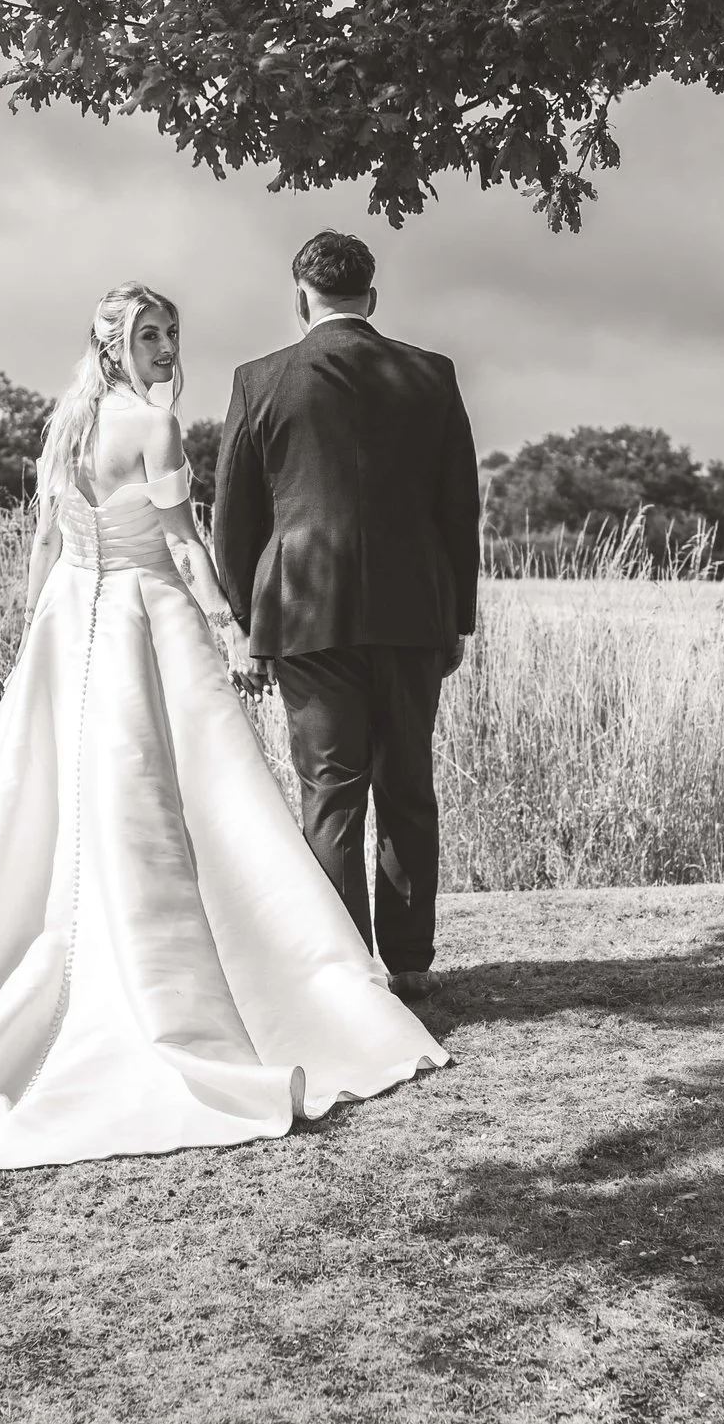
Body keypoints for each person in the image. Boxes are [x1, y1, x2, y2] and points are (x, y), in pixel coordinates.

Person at [0, 282, 445, 1185]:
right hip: (143, 618)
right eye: (148, 334)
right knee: (178, 799)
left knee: (80, 803)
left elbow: (44, 547)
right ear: (113, 345)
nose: (163, 346)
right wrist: (230, 623)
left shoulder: (63, 428)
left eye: (171, 332)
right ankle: (236, 992)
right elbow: (185, 546)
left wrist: (33, 640)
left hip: (72, 624)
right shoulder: (153, 426)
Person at [214, 232, 479, 999]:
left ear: (302, 297)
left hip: (302, 616)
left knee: (329, 793)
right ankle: (411, 962)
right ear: (373, 295)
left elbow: (235, 517)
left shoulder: (259, 380)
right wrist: (457, 615)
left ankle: (343, 970)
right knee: (408, 785)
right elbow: (460, 506)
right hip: (411, 613)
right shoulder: (431, 375)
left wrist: (246, 618)